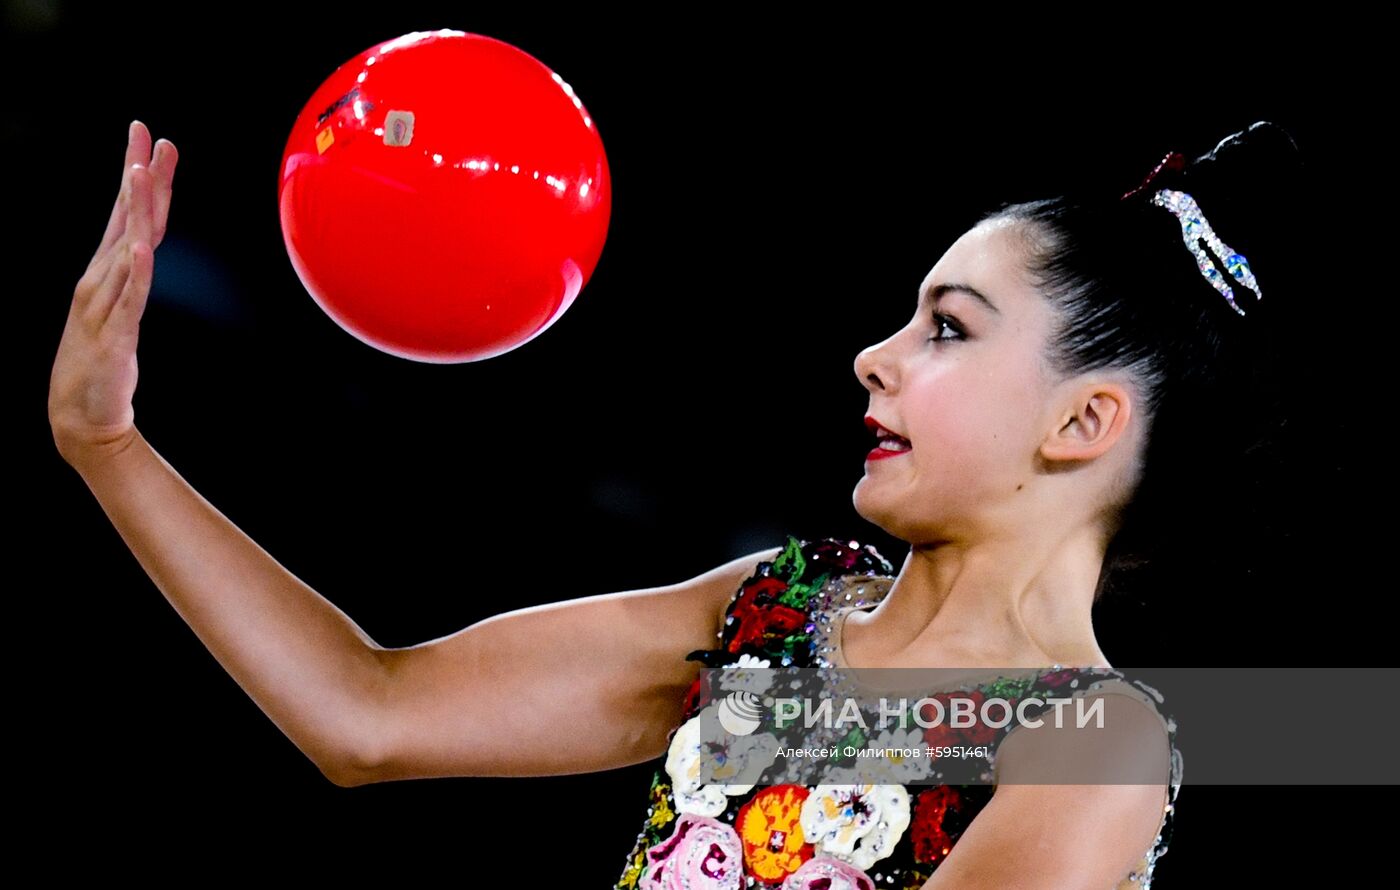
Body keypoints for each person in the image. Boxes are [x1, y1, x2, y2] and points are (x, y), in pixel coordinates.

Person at [48, 119, 1303, 888]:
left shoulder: (1091, 741)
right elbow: (365, 712)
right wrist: (108, 442)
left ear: (1079, 422)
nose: (875, 356)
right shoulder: (775, 604)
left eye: (946, 330)